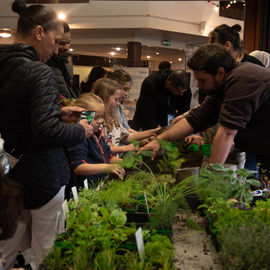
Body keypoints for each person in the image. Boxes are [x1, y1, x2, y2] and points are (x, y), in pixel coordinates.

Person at [0, 1, 93, 269]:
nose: (55, 51)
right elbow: (46, 130)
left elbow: (18, 116)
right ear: (39, 32)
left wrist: (58, 114)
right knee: (46, 252)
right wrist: (80, 129)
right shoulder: (38, 71)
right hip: (41, 177)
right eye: (55, 41)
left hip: (8, 177)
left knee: (6, 246)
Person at [139, 44, 270, 170]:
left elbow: (227, 132)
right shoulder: (221, 87)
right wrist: (159, 139)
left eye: (202, 80)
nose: (199, 86)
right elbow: (196, 118)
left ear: (220, 73)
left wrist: (211, 177)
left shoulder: (242, 79)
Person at [67, 93, 125, 189]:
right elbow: (79, 167)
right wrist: (108, 167)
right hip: (84, 190)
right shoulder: (79, 138)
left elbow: (108, 156)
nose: (101, 121)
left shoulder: (97, 133)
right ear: (80, 116)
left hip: (98, 185)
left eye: (102, 116)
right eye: (95, 117)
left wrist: (125, 162)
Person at [92, 78, 160, 154]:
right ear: (104, 98)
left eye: (119, 100)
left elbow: (126, 136)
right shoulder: (97, 123)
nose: (118, 103)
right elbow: (102, 149)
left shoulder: (113, 119)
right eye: (116, 100)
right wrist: (125, 148)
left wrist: (152, 132)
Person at [47, 21, 79, 100]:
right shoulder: (43, 61)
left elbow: (70, 87)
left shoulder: (67, 61)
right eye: (62, 43)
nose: (67, 47)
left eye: (68, 42)